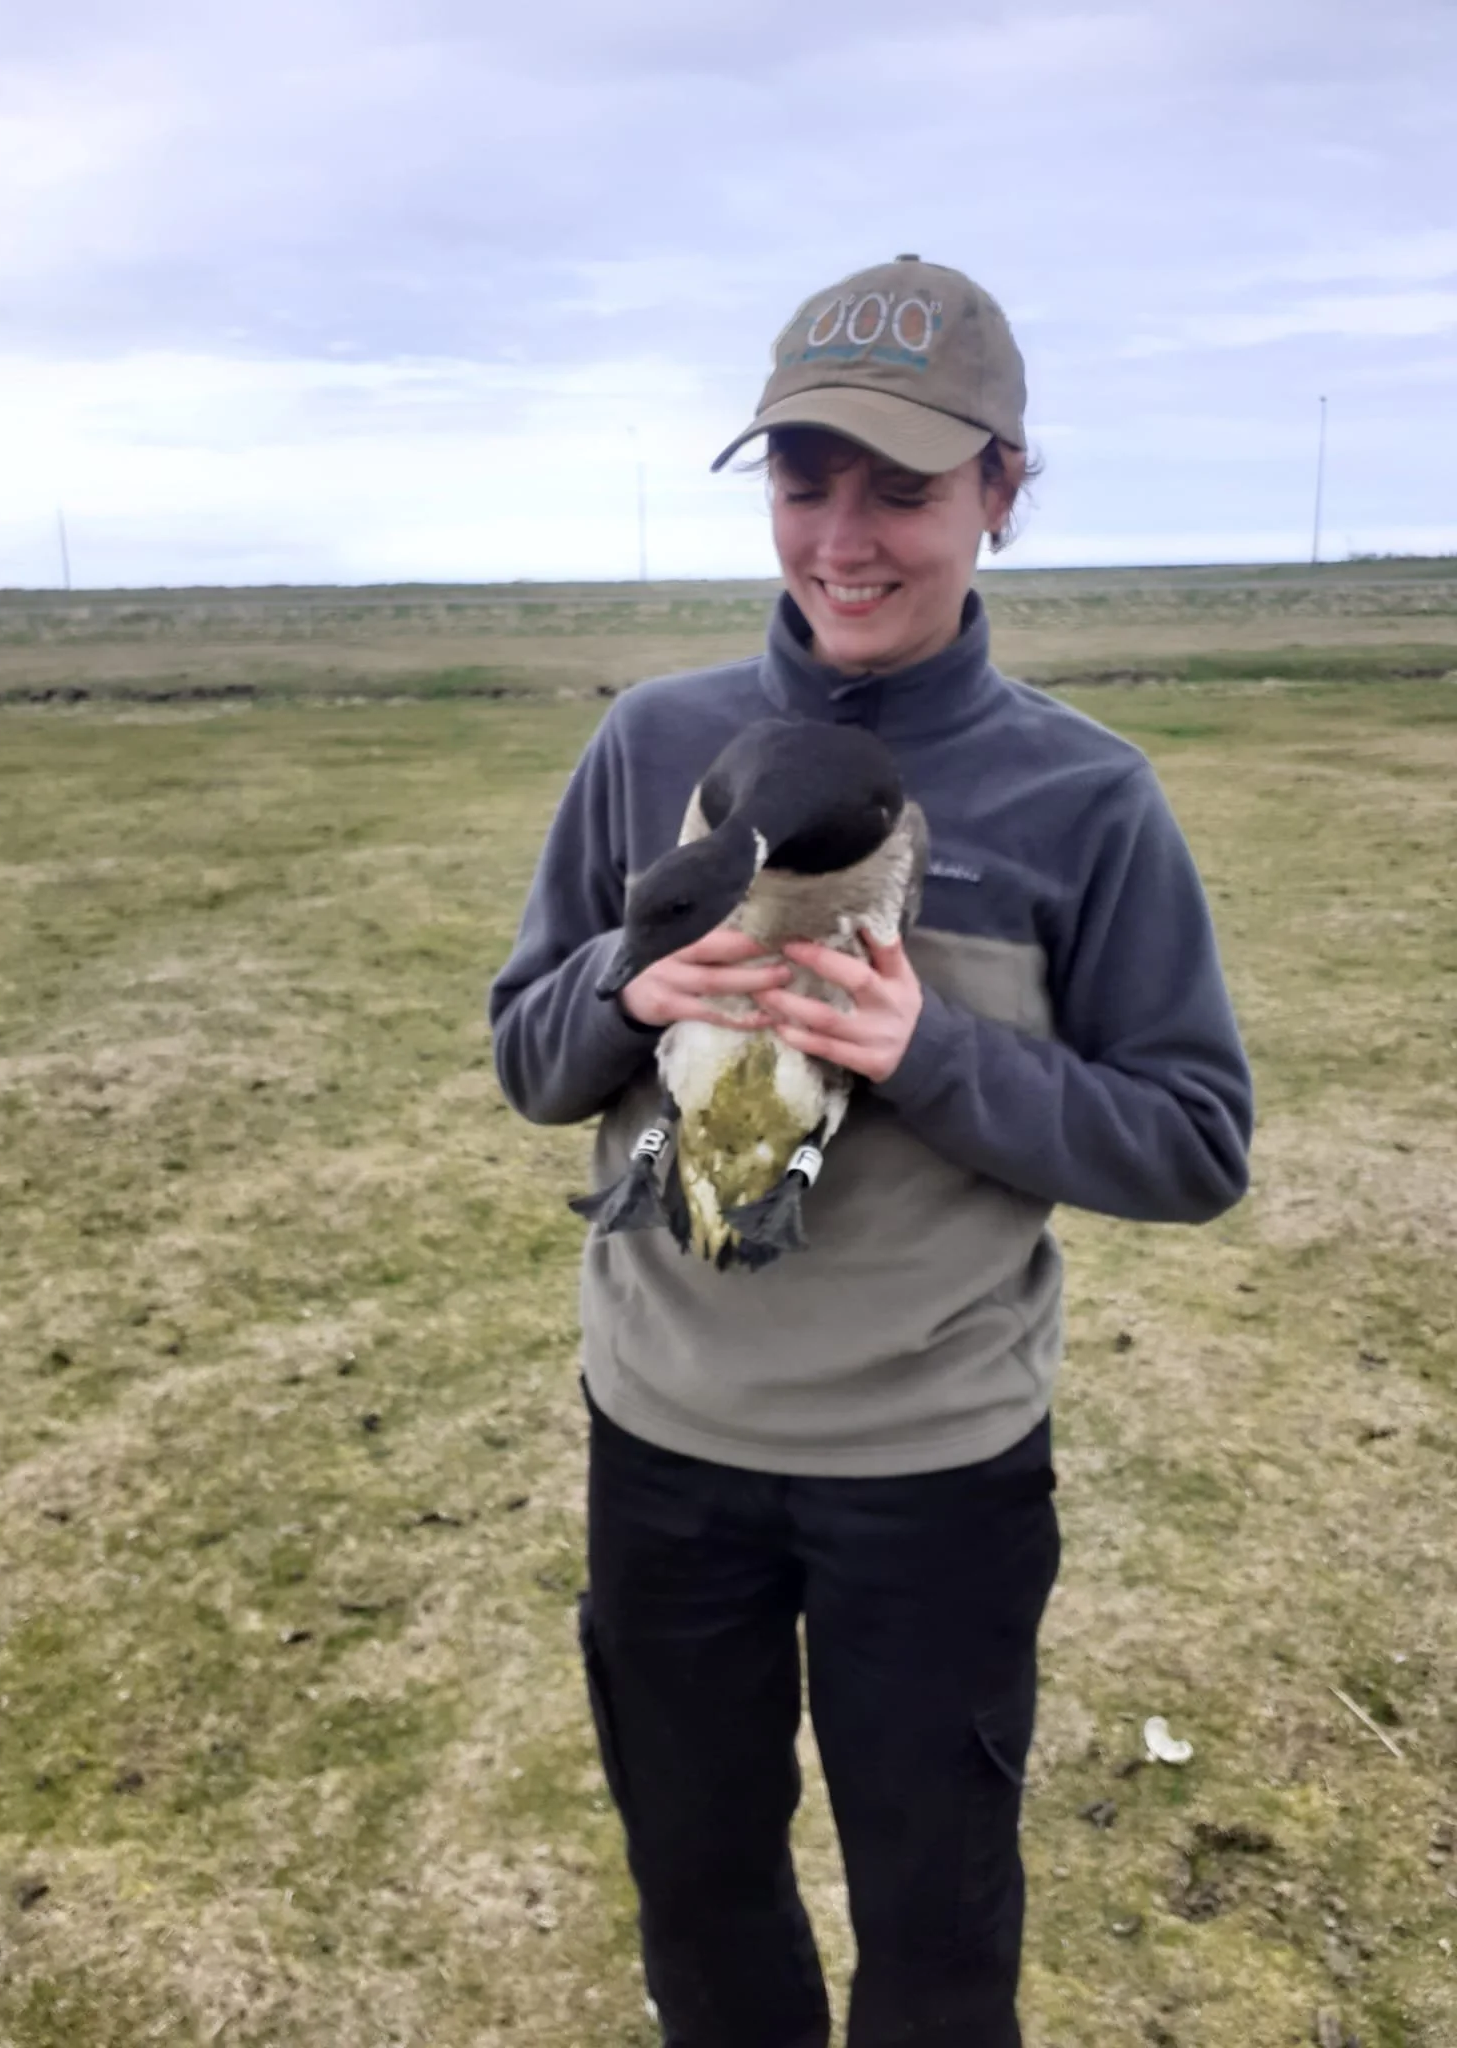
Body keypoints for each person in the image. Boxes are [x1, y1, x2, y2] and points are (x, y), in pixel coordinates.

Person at [488, 256, 1252, 2048]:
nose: (845, 536)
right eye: (803, 477)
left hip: (939, 1477)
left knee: (934, 1918)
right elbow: (533, 1058)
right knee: (700, 1891)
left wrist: (937, 1053)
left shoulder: (1087, 799)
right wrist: (626, 984)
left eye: (902, 487)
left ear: (1001, 488)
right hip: (663, 1452)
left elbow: (1196, 1140)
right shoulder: (650, 744)